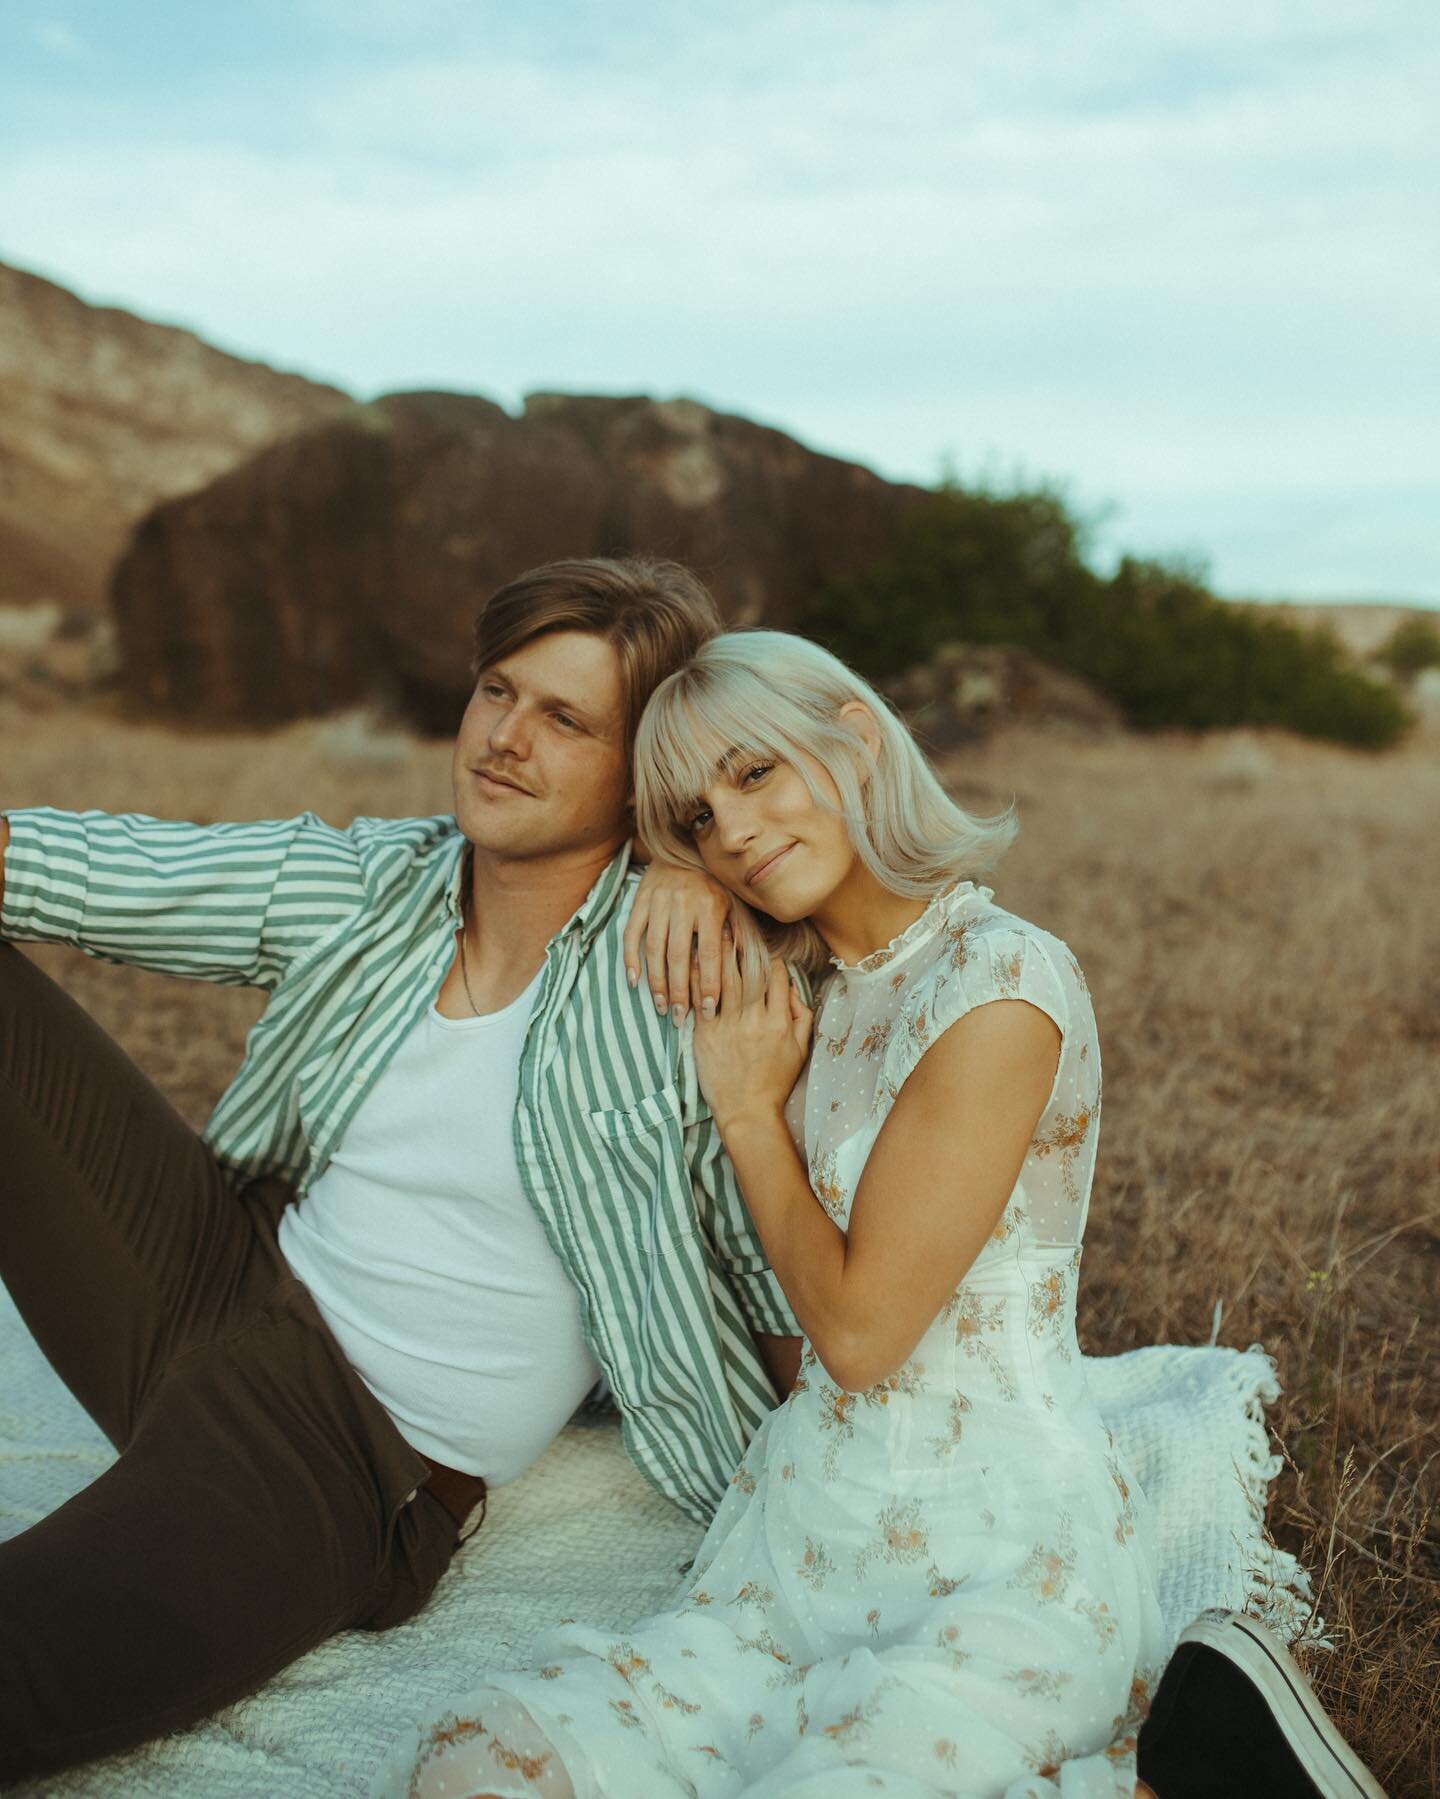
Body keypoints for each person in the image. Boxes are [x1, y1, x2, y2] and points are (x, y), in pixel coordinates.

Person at [376, 631, 1382, 1799]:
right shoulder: (792, 980)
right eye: (699, 816)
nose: (736, 831)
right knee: (473, 1766)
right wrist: (672, 868)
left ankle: (1202, 1774)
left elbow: (858, 1338)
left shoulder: (1000, 982)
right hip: (803, 1527)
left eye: (757, 773)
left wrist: (752, 1116)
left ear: (855, 740)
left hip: (997, 1544)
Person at [0, 557, 801, 1781]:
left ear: (645, 772)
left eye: (565, 718)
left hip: (350, 1456)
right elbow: (105, 868)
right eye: (497, 691)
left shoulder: (683, 974)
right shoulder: (376, 884)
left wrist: (689, 861)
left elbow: (775, 1255)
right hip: (213, 1280)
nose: (506, 737)